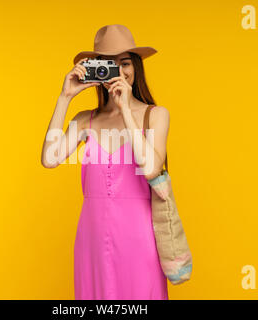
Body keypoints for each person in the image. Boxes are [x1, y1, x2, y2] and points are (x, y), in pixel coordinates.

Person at [41, 24, 170, 299]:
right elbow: (49, 159)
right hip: (92, 237)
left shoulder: (155, 116)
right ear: (98, 72)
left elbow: (150, 169)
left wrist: (125, 109)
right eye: (109, 65)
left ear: (136, 67)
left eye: (125, 63)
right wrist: (65, 97)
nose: (119, 72)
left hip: (139, 237)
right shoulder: (85, 120)